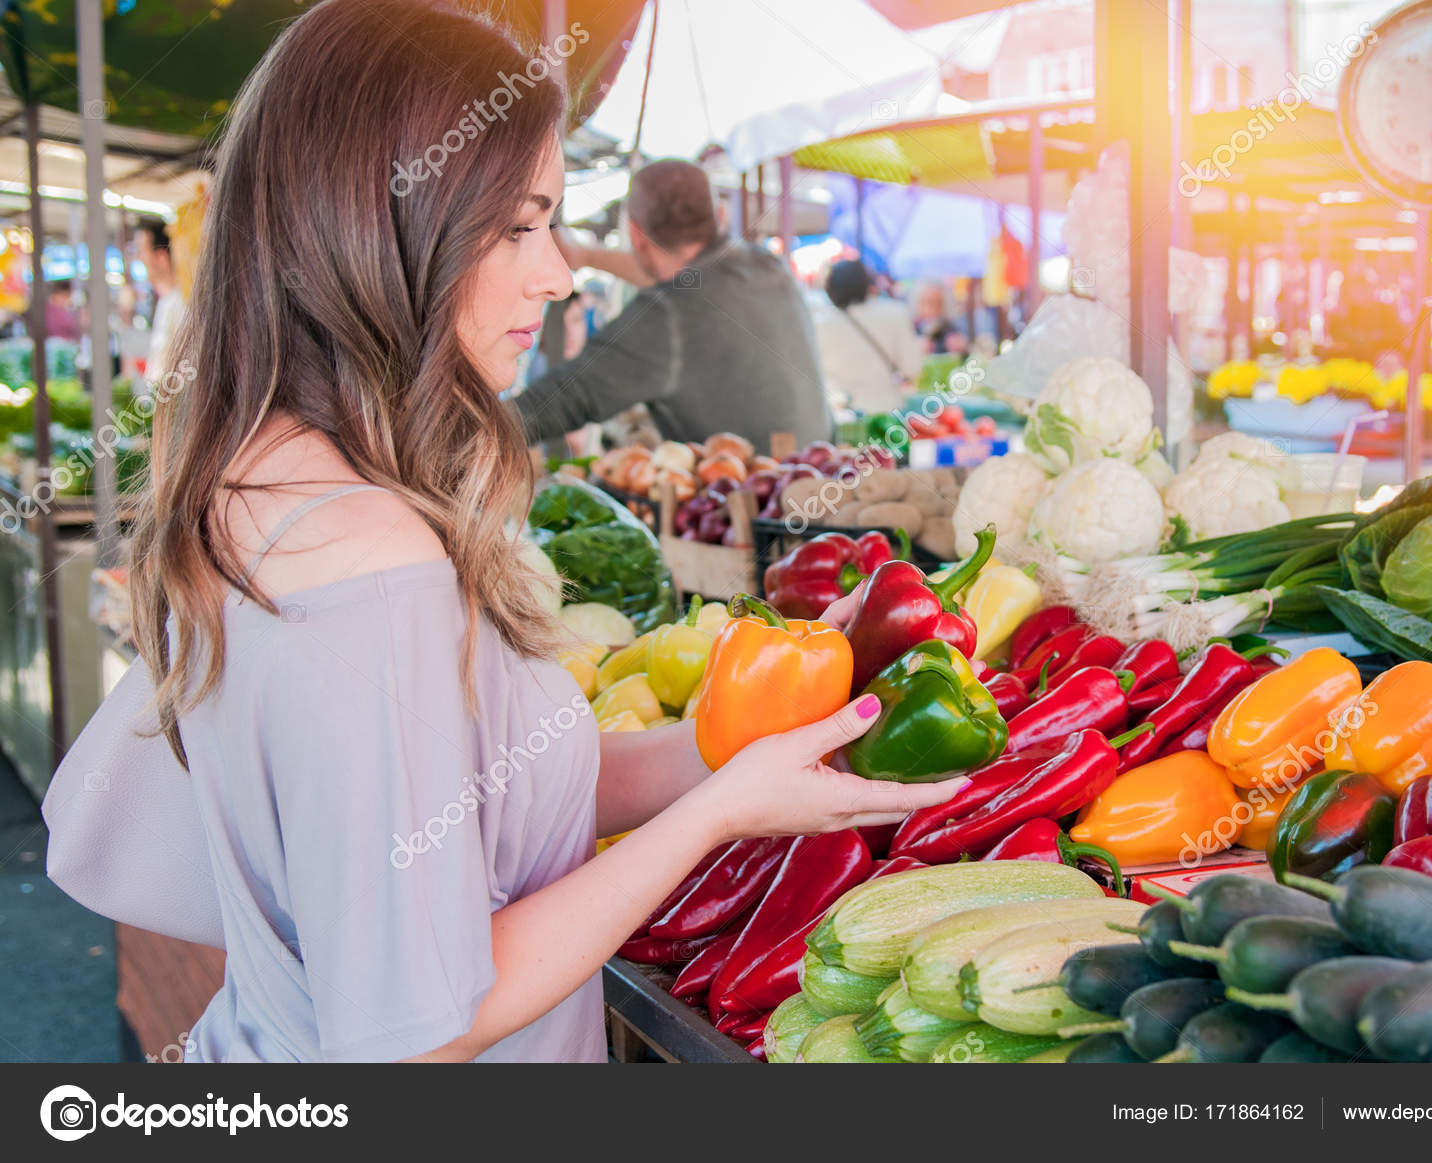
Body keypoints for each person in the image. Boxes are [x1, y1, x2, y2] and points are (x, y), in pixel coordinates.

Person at [40, 0, 957, 1064]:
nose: (561, 269)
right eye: (521, 224)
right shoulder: (371, 561)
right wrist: (712, 818)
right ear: (380, 230)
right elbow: (418, 1034)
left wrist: (725, 740)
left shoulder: (260, 473)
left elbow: (485, 792)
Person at [510, 160, 833, 455]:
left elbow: (555, 403)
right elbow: (682, 277)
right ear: (720, 215)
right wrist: (586, 257)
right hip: (826, 486)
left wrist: (465, 434)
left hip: (752, 513)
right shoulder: (770, 267)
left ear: (636, 235)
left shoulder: (666, 315)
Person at [812, 259, 922, 413]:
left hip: (841, 415)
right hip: (887, 412)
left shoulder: (818, 323)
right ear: (867, 284)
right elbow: (911, 368)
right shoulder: (895, 313)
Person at [134, 216, 185, 386]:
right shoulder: (165, 302)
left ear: (161, 256)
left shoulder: (183, 305)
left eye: (141, 251)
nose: (138, 258)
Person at [913, 280, 968, 356]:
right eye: (929, 302)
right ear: (919, 304)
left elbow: (965, 351)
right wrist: (915, 347)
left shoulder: (949, 326)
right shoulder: (913, 327)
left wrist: (962, 347)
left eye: (938, 302)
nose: (934, 307)